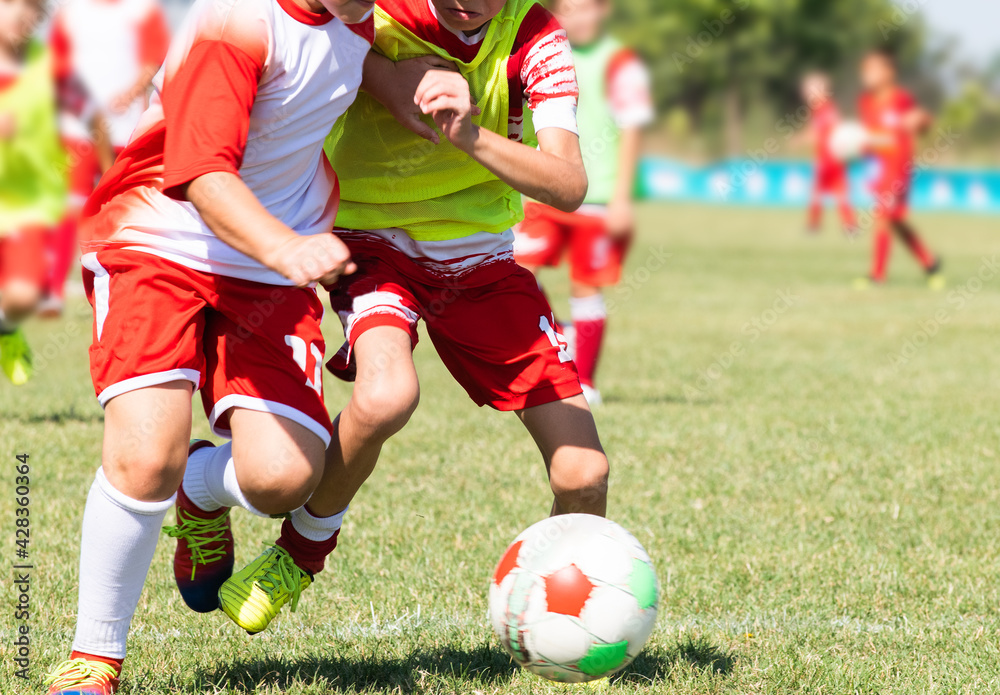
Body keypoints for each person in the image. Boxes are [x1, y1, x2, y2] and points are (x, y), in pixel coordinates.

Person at [215, 0, 611, 636]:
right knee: (387, 395)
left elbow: (568, 183)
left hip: (481, 258)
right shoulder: (373, 12)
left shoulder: (532, 34)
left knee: (584, 475)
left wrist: (470, 135)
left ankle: (560, 624)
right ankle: (299, 553)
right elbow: (302, 35)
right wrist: (386, 77)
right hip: (375, 244)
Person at [43, 0, 374, 692]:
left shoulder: (363, 15)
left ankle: (200, 487)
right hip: (160, 242)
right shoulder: (238, 21)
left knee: (281, 477)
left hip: (265, 270)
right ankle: (94, 655)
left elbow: (411, 55)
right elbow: (202, 176)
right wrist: (288, 246)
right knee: (142, 456)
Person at [512, 0, 653, 406]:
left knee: (585, 285)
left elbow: (632, 133)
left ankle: (583, 380)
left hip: (599, 198)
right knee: (517, 268)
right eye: (568, 9)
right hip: (546, 194)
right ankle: (562, 334)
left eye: (586, 8)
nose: (577, 17)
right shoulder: (544, 49)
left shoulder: (621, 63)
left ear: (603, 10)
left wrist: (623, 199)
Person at [43, 0, 171, 315]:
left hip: (127, 129)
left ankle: (130, 281)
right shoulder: (70, 10)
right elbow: (57, 65)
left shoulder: (143, 9)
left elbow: (156, 58)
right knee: (69, 207)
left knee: (127, 209)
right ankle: (52, 289)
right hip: (77, 129)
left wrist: (129, 93)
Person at [0, 0, 90, 385]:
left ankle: (5, 329)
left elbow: (84, 119)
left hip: (27, 203)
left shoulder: (50, 67)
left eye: (34, 13)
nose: (24, 19)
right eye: (15, 8)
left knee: (24, 295)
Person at [856, 50, 943, 289]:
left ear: (889, 73)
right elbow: (870, 137)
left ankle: (877, 275)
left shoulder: (901, 99)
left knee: (882, 216)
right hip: (878, 168)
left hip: (899, 168)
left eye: (873, 70)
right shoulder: (865, 102)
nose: (866, 75)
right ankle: (930, 262)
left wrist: (920, 119)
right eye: (864, 70)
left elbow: (924, 123)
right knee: (894, 219)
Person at [798, 71, 858, 237]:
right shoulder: (819, 108)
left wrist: (801, 139)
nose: (807, 92)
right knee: (836, 193)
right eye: (807, 89)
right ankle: (849, 226)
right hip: (830, 158)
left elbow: (822, 133)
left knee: (820, 193)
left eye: (811, 88)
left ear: (822, 90)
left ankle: (815, 225)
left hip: (829, 159)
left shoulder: (825, 108)